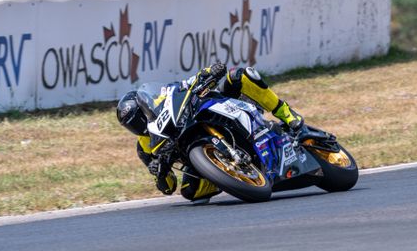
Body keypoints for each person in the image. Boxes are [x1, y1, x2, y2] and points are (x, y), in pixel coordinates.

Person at [116, 62, 304, 202]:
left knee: (239, 75)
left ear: (144, 108)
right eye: (131, 125)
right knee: (190, 192)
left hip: (212, 112)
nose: (138, 127)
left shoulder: (164, 97)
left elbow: (188, 84)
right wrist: (159, 172)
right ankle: (230, 177)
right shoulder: (144, 148)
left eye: (138, 119)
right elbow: (168, 187)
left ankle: (285, 113)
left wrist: (209, 72)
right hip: (197, 155)